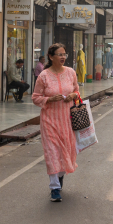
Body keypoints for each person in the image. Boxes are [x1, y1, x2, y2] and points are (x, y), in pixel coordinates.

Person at [31, 43, 80, 202]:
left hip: (67, 120)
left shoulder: (71, 73)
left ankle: (59, 176)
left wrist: (73, 95)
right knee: (52, 153)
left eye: (64, 54)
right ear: (51, 57)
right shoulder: (43, 76)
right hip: (49, 120)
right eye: (59, 54)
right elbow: (35, 98)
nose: (63, 57)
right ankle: (54, 188)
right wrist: (49, 99)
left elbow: (77, 91)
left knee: (65, 150)